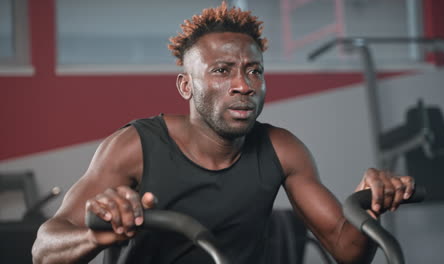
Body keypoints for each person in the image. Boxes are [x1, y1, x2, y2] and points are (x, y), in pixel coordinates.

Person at [32, 2, 415, 264]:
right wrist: (93, 238)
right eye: (222, 71)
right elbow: (44, 250)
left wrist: (370, 206)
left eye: (254, 70)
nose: (244, 85)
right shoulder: (134, 147)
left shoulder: (282, 149)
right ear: (186, 86)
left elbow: (347, 251)